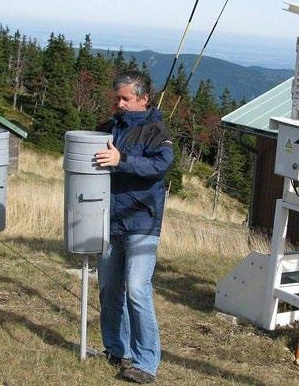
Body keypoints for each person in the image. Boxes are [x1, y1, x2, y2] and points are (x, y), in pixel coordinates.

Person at [95, 70, 173, 383]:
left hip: (142, 221)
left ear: (142, 99)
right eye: (116, 98)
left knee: (137, 290)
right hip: (109, 220)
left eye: (125, 98)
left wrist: (121, 159)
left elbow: (160, 165)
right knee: (109, 289)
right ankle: (117, 348)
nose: (119, 103)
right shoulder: (107, 128)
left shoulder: (156, 131)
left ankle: (146, 362)